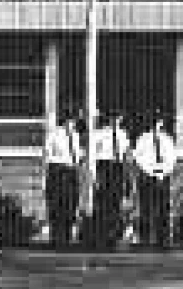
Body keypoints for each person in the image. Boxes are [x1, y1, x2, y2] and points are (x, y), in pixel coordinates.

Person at [83, 109, 131, 250]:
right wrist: (94, 175)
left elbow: (126, 155)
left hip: (118, 167)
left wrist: (126, 175)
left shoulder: (123, 135)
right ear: (109, 119)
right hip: (103, 167)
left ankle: (114, 237)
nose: (116, 121)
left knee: (116, 203)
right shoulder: (99, 134)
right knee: (102, 203)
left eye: (118, 118)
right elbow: (92, 156)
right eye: (113, 118)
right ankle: (100, 237)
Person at [132, 110, 178, 249]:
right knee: (146, 208)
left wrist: (163, 171)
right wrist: (152, 171)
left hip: (163, 176)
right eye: (154, 122)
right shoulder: (143, 139)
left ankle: (163, 239)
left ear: (161, 123)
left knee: (163, 208)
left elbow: (172, 158)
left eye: (158, 122)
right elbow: (140, 158)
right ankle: (145, 239)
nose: (156, 125)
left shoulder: (167, 139)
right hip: (148, 176)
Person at [43, 106, 84, 249]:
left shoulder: (76, 136)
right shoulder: (54, 135)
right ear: (67, 119)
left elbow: (78, 156)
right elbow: (47, 156)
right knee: (57, 205)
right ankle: (56, 239)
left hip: (71, 171)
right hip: (58, 170)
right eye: (73, 120)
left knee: (71, 203)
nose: (74, 124)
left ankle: (66, 239)